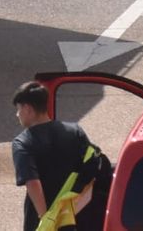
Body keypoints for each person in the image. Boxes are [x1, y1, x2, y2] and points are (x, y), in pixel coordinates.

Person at [11, 81, 110, 231]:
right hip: (75, 216)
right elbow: (91, 166)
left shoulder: (23, 143)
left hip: (43, 219)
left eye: (18, 109)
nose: (17, 114)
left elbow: (32, 182)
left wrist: (46, 219)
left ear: (28, 108)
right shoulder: (75, 131)